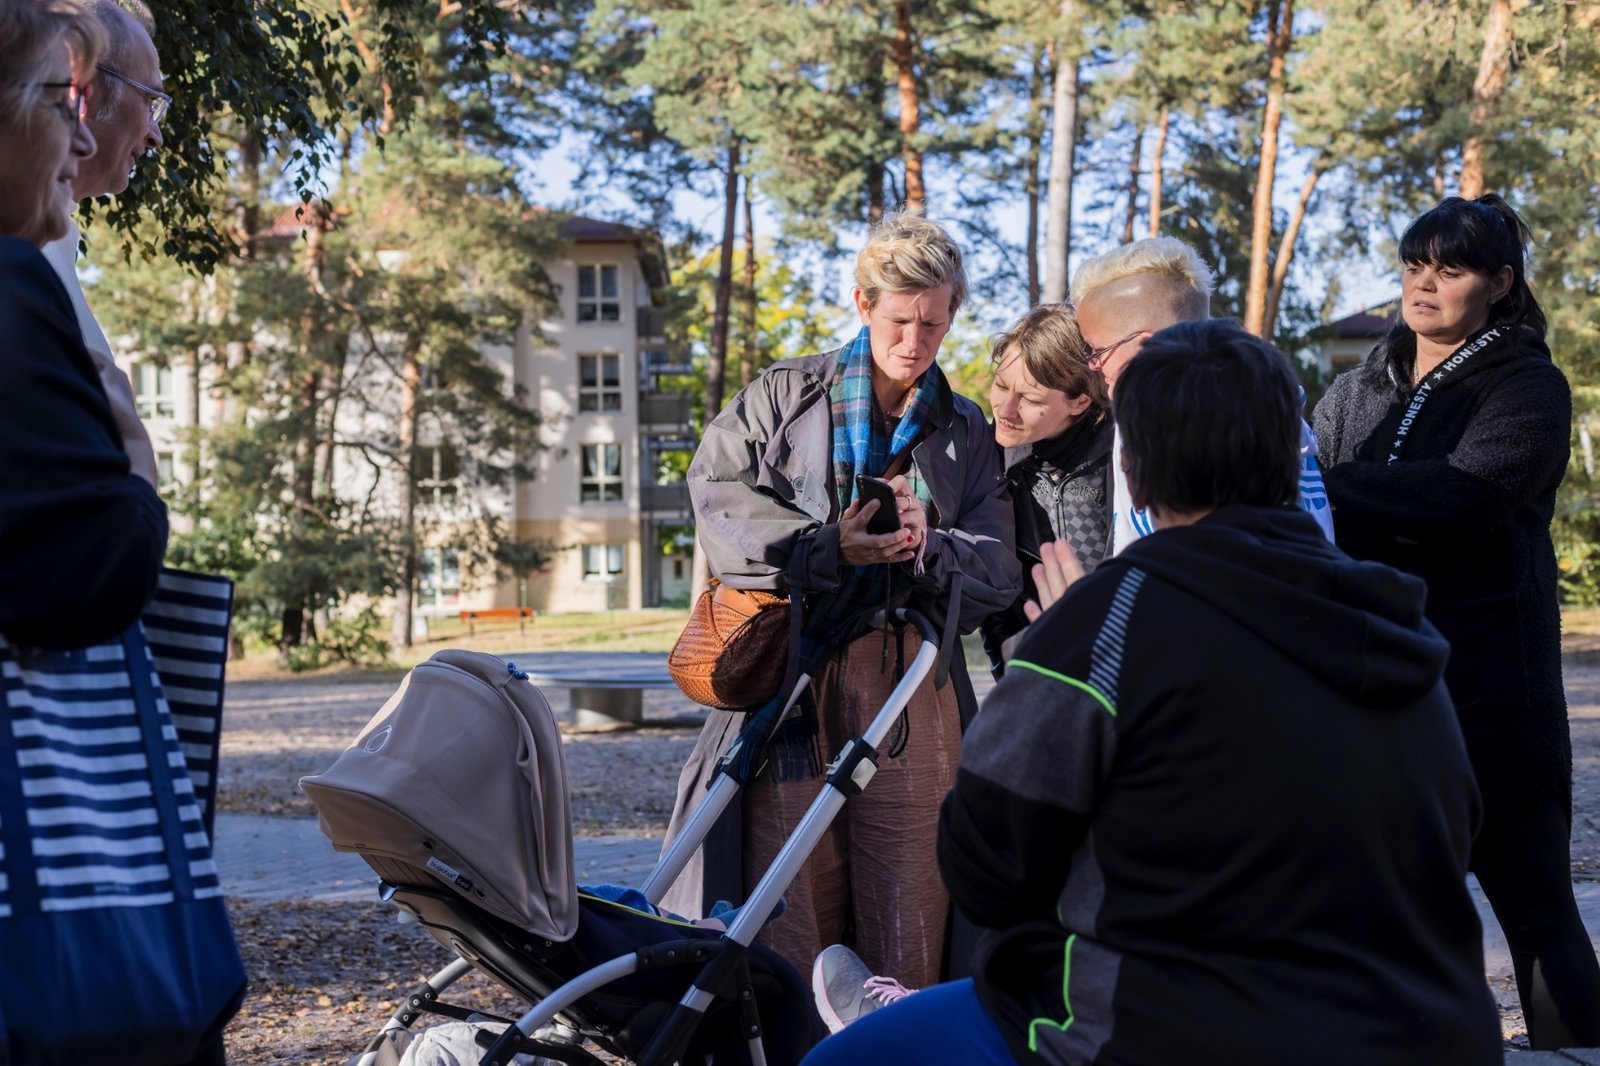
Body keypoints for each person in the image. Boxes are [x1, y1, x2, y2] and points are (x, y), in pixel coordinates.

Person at [803, 319, 1502, 1066]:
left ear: (1133, 465)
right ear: (1288, 456)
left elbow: (986, 871)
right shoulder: (1398, 626)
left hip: (1173, 1032)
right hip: (1431, 1033)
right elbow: (1455, 834)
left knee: (836, 1061)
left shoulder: (1104, 624)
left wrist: (1042, 659)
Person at [662, 212, 1021, 990]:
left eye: (934, 322)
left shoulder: (966, 431)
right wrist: (830, 545)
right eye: (900, 319)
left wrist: (932, 544)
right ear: (863, 304)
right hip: (792, 680)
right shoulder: (784, 394)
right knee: (789, 905)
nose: (916, 341)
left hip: (911, 696)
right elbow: (717, 501)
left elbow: (999, 572)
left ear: (952, 313)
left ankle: (901, 1048)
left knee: (912, 902)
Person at [1313, 194, 1600, 1050]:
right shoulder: (1353, 389)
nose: (1424, 286)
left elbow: (1462, 500)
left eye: (1451, 269)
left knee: (1541, 918)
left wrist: (1320, 492)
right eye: (1413, 266)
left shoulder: (1530, 387)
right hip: (1375, 695)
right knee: (1378, 923)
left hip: (1492, 699)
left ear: (1500, 283)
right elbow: (1308, 514)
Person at [1071, 236, 1333, 551]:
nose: (1094, 365)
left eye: (1099, 350)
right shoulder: (1268, 406)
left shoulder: (1196, 423)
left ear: (1144, 346)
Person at [40, 0, 165, 490]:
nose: (155, 136)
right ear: (83, 89)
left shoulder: (54, 248)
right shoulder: (20, 262)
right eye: (150, 102)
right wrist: (133, 458)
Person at [979, 303, 1113, 674]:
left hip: (1123, 670)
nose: (1005, 409)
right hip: (1036, 672)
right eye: (1001, 385)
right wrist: (1010, 668)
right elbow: (994, 593)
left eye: (1031, 400)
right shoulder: (988, 457)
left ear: (1081, 401)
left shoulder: (1124, 456)